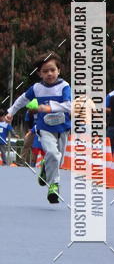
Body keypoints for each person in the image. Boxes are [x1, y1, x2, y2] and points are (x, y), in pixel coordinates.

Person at [5, 52, 71, 203]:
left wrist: (49, 107)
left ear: (58, 70)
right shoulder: (37, 88)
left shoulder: (64, 86)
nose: (49, 73)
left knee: (58, 159)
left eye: (52, 70)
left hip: (63, 127)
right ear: (39, 73)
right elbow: (23, 99)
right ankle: (54, 185)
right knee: (53, 155)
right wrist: (11, 112)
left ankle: (44, 167)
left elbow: (68, 105)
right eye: (45, 71)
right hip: (45, 127)